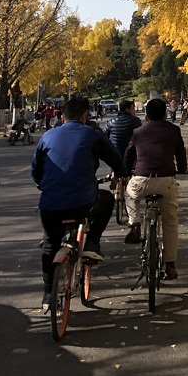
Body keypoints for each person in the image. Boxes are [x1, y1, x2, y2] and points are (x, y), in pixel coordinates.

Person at [32, 97, 127, 311]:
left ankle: (48, 294)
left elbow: (35, 172)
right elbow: (117, 161)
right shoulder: (92, 135)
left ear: (61, 117)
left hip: (49, 205)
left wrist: (47, 187)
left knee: (50, 243)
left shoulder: (47, 136)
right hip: (83, 204)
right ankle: (92, 243)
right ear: (85, 115)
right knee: (107, 199)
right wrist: (121, 174)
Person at [124, 97, 188, 280]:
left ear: (146, 117)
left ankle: (135, 223)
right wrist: (183, 169)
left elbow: (128, 154)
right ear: (165, 115)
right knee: (170, 222)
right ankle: (170, 265)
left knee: (130, 194)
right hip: (166, 180)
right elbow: (180, 154)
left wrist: (125, 170)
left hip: (141, 178)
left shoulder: (137, 132)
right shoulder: (174, 130)